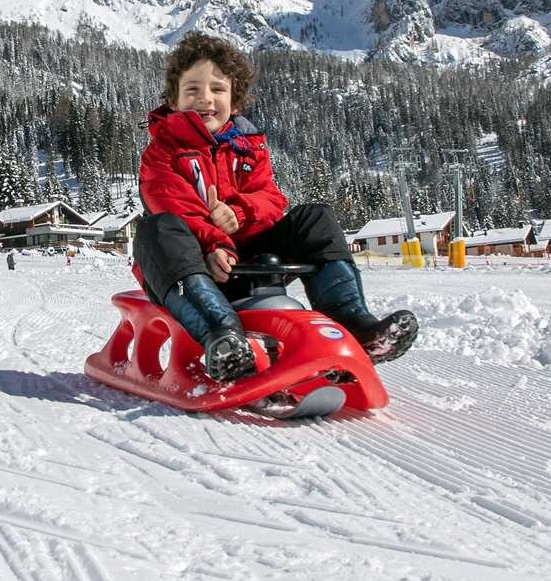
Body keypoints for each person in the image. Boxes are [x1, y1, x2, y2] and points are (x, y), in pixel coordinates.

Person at [133, 31, 418, 382]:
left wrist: (238, 213)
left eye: (217, 89)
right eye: (192, 89)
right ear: (173, 101)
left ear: (234, 101)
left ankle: (354, 326)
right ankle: (222, 337)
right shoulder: (162, 152)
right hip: (191, 269)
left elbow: (270, 199)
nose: (205, 99)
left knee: (315, 218)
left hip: (246, 261)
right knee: (157, 227)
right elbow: (174, 205)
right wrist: (214, 243)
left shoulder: (249, 148)